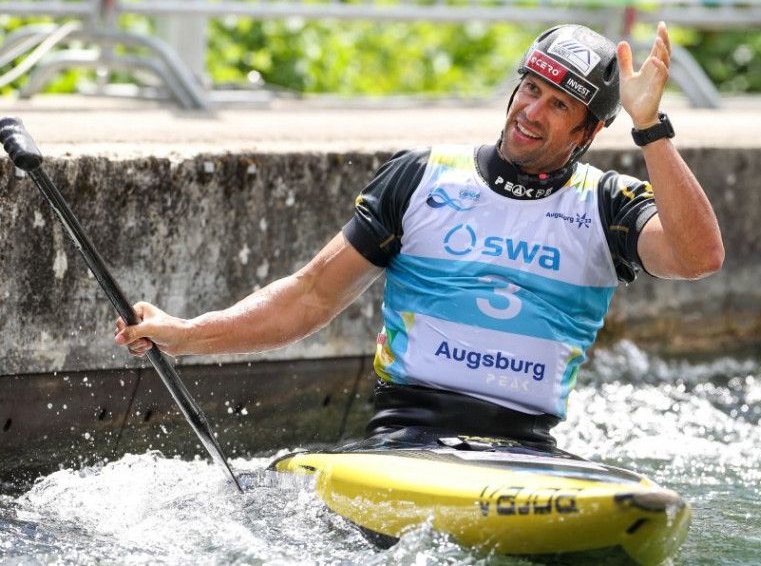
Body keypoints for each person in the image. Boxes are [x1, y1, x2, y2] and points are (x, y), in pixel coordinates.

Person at [114, 22, 723, 449]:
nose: (532, 112)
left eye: (559, 106)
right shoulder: (421, 176)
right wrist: (187, 335)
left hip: (526, 450)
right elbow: (309, 297)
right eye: (530, 90)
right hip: (406, 436)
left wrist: (651, 129)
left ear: (587, 133)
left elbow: (698, 257)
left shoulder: (606, 203)